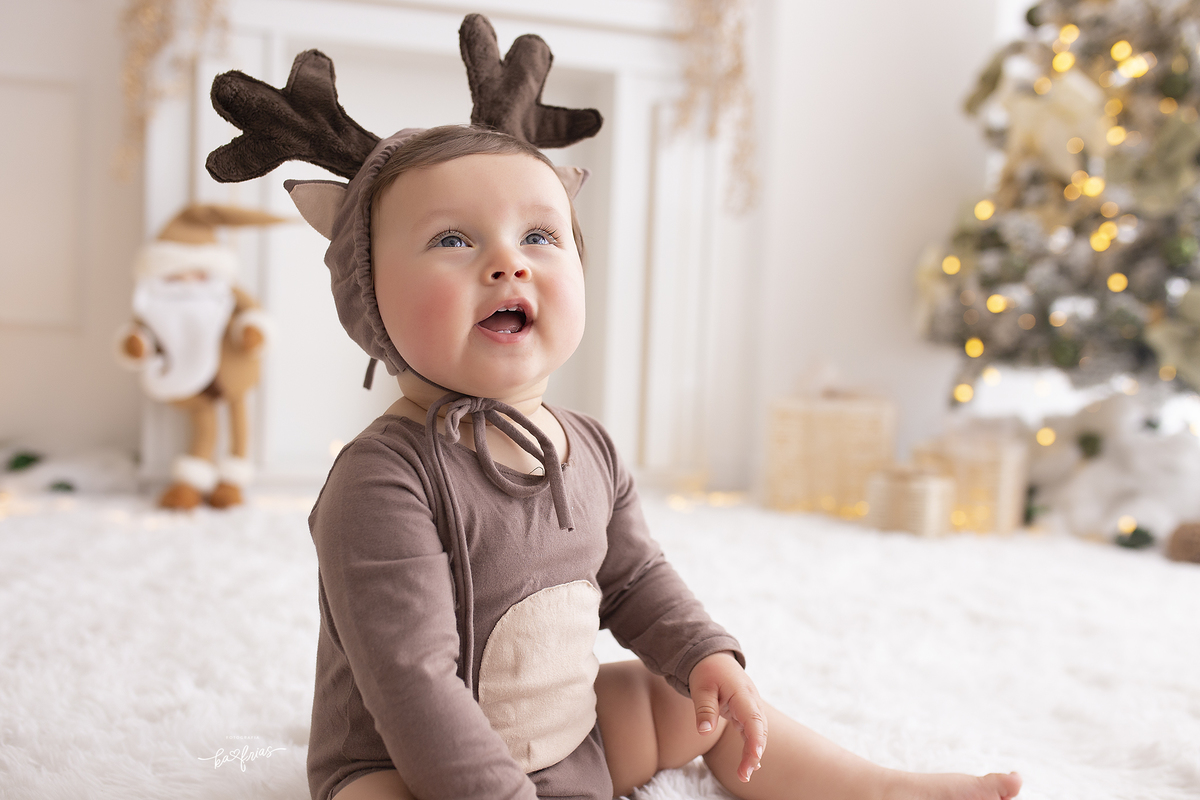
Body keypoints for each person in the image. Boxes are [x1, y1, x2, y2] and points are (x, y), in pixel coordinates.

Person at [203, 21, 1022, 800]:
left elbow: (633, 579)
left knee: (694, 704)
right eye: (453, 241)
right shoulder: (383, 481)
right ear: (368, 297)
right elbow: (410, 678)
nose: (506, 264)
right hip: (408, 763)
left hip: (571, 737)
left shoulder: (587, 446)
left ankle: (873, 786)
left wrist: (704, 656)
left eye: (540, 237)